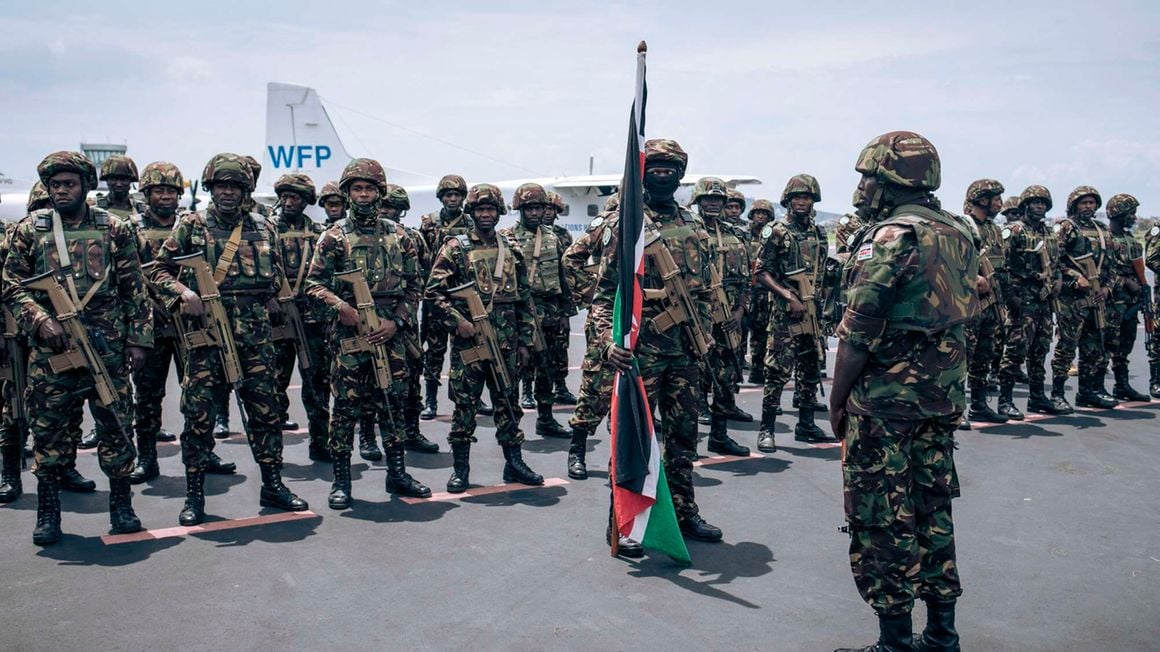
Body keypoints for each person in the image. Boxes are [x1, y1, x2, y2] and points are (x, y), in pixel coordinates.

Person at [831, 132, 972, 652]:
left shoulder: (891, 235)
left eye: (869, 175)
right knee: (933, 510)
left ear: (892, 179)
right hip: (939, 399)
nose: (863, 185)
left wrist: (838, 398)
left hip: (886, 404)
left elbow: (860, 328)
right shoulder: (957, 231)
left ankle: (895, 642)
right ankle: (942, 633)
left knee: (883, 519)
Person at [3, 151, 153, 545]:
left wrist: (138, 340)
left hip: (107, 348)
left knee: (116, 425)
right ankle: (49, 513)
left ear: (85, 187)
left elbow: (134, 289)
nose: (61, 190)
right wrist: (40, 320)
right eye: (55, 185)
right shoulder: (29, 231)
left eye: (69, 184)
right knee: (49, 431)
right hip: (53, 351)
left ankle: (122, 506)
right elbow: (10, 285)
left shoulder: (114, 229)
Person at [151, 153, 308, 526]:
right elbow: (158, 270)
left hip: (254, 337)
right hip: (207, 336)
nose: (227, 192)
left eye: (234, 186)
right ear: (210, 188)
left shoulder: (264, 227)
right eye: (221, 185)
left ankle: (273, 484)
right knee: (199, 415)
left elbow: (276, 277)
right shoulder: (191, 225)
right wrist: (182, 294)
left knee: (267, 412)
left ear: (245, 190)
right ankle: (194, 494)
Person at [597, 139, 725, 543]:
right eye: (655, 166)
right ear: (641, 172)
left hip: (685, 353)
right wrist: (608, 342)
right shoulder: (628, 225)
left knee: (685, 437)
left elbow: (706, 290)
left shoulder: (695, 226)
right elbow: (603, 295)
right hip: (640, 356)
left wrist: (705, 337)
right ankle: (625, 524)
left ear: (681, 173)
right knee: (632, 440)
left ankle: (685, 511)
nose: (663, 172)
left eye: (671, 167)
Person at [305, 159, 430, 508]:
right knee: (346, 407)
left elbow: (414, 286)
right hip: (350, 336)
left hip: (389, 333)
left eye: (370, 188)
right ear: (347, 193)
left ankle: (398, 473)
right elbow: (314, 284)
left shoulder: (400, 236)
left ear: (380, 192)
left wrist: (398, 322)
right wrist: (340, 308)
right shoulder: (332, 237)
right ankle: (342, 481)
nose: (363, 194)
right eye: (357, 188)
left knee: (392, 403)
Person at [425, 183, 543, 493]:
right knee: (464, 405)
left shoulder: (511, 248)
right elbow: (434, 293)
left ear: (499, 212)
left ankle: (514, 462)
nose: (486, 214)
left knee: (508, 402)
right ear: (472, 212)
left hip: (506, 339)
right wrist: (458, 321)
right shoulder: (455, 247)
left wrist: (525, 341)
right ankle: (460, 469)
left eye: (490, 209)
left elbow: (525, 299)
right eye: (480, 209)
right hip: (470, 342)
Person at [127, 161, 198, 483]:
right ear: (146, 193)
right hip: (149, 324)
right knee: (147, 396)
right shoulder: (130, 228)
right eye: (159, 191)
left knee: (198, 393)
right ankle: (147, 458)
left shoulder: (192, 226)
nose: (166, 197)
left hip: (189, 322)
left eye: (171, 190)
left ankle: (202, 452)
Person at [754, 175, 835, 452]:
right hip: (785, 314)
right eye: (797, 197)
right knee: (776, 371)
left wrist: (823, 302)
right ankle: (767, 428)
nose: (802, 202)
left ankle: (806, 423)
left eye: (807, 197)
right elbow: (761, 272)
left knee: (811, 368)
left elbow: (822, 272)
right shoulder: (776, 231)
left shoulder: (819, 233)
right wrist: (788, 295)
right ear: (788, 200)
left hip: (813, 312)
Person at [269, 174, 332, 462]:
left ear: (306, 201)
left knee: (317, 383)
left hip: (311, 320)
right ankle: (272, 451)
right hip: (277, 318)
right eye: (285, 196)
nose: (288, 202)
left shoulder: (318, 232)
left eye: (295, 197)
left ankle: (320, 443)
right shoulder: (267, 230)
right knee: (272, 384)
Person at [502, 183, 573, 438]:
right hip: (522, 311)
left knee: (548, 368)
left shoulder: (554, 238)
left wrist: (565, 313)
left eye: (538, 208)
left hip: (550, 310)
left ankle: (545, 418)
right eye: (529, 208)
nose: (534, 213)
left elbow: (564, 278)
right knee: (517, 367)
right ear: (520, 209)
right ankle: (511, 424)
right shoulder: (507, 237)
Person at [690, 177, 752, 455]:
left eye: (718, 200)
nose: (713, 204)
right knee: (689, 380)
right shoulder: (688, 231)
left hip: (728, 319)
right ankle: (686, 441)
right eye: (707, 199)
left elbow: (746, 280)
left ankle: (719, 434)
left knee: (726, 379)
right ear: (698, 201)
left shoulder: (738, 235)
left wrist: (740, 310)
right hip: (696, 319)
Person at [561, 195, 619, 480]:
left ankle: (621, 460)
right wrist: (594, 293)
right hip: (608, 316)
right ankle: (577, 450)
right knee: (596, 385)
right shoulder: (610, 220)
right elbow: (571, 258)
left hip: (646, 318)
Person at [999, 185, 1069, 416]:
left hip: (1044, 300)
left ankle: (1037, 397)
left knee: (1040, 350)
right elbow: (1003, 267)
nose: (1039, 206)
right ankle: (1005, 400)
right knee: (1016, 350)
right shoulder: (1014, 231)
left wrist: (1058, 280)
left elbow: (1057, 263)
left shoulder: (1050, 233)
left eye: (1042, 203)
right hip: (1023, 300)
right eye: (1034, 202)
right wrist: (1012, 299)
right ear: (1025, 205)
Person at [1050, 186, 1117, 409]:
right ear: (1074, 206)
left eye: (1091, 203)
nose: (1088, 206)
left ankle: (1088, 391)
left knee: (1094, 346)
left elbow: (1112, 264)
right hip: (1073, 300)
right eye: (1083, 203)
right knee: (1067, 347)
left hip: (1097, 298)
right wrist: (1074, 277)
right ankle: (1057, 393)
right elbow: (1054, 261)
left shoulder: (1103, 230)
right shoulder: (1066, 228)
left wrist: (1107, 287)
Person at [418, 175, 474, 421]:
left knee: (466, 350)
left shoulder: (472, 222)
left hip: (465, 296)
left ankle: (471, 396)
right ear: (441, 197)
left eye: (457, 195)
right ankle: (430, 399)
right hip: (437, 296)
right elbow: (421, 256)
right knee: (435, 350)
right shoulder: (429, 223)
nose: (453, 199)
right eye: (448, 195)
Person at [961, 179, 1010, 423]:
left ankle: (979, 405)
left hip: (991, 303)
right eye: (995, 198)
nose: (1000, 203)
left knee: (984, 355)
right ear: (982, 199)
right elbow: (952, 263)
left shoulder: (993, 229)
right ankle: (956, 410)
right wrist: (974, 279)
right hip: (970, 305)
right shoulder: (964, 226)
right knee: (963, 357)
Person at [1104, 193, 1150, 402]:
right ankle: (1094, 386)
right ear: (1118, 213)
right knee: (1106, 344)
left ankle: (1121, 386)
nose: (1134, 217)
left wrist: (1142, 288)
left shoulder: (1132, 241)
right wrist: (1124, 282)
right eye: (1130, 213)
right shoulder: (1106, 239)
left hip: (1130, 303)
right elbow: (1103, 271)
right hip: (1112, 301)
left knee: (1125, 345)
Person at [540, 190, 578, 404]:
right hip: (536, 303)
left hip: (558, 300)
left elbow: (567, 272)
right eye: (544, 208)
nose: (547, 213)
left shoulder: (563, 236)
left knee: (561, 346)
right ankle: (528, 390)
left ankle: (561, 387)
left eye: (551, 209)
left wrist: (567, 307)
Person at [746, 199, 775, 384]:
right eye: (757, 213)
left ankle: (758, 369)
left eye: (764, 213)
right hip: (748, 290)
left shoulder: (773, 236)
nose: (761, 216)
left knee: (763, 331)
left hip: (766, 290)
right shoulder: (743, 235)